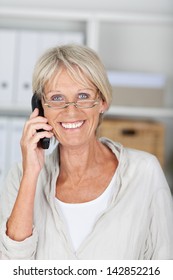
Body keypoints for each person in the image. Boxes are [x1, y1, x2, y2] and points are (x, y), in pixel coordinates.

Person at [0, 44, 173, 260]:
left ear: (102, 102)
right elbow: (11, 267)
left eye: (82, 95)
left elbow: (164, 263)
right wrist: (31, 174)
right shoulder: (20, 177)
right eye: (56, 98)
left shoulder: (144, 172)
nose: (71, 111)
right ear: (40, 107)